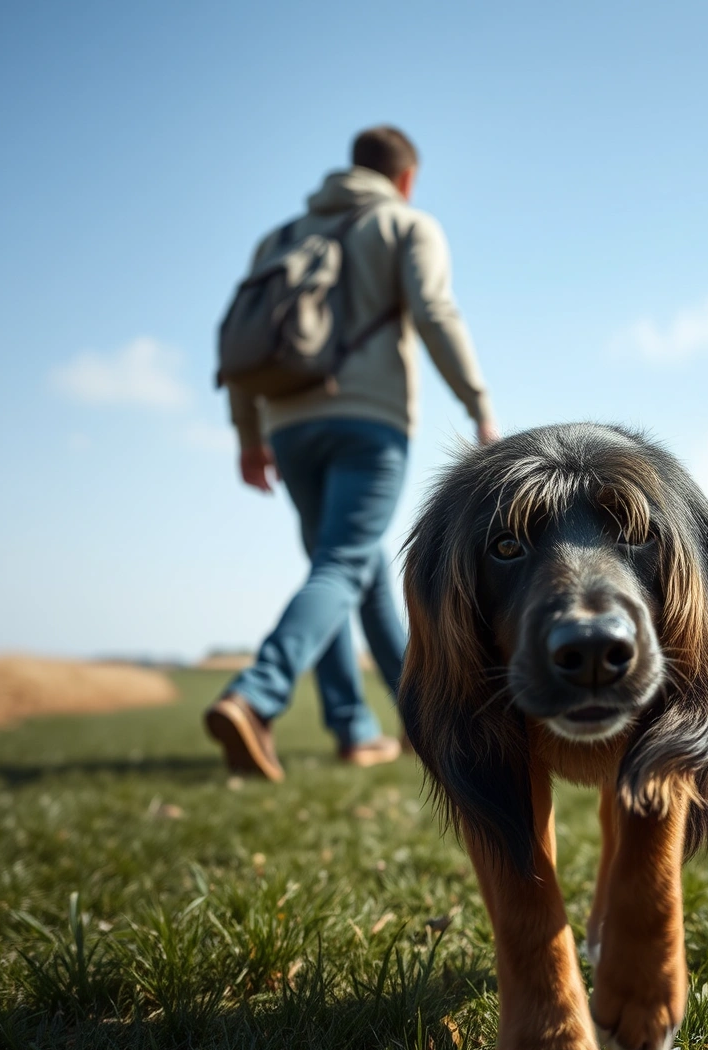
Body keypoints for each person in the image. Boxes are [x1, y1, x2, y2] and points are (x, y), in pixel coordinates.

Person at [206, 125, 498, 781]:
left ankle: (385, 724)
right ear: (406, 178)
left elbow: (242, 342)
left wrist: (248, 436)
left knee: (345, 569)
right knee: (341, 565)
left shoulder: (280, 238)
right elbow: (433, 310)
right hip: (369, 421)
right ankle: (256, 695)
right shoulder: (406, 224)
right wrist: (478, 404)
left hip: (288, 426)